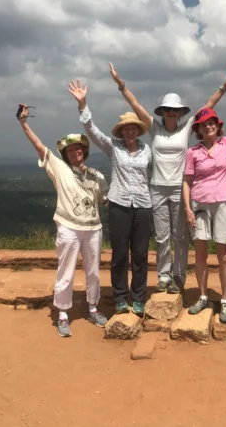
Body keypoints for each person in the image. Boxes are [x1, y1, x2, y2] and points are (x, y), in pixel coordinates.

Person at [108, 63, 226, 295]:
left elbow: (208, 106)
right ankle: (163, 275)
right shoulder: (154, 128)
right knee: (161, 236)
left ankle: (178, 277)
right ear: (162, 111)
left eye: (174, 109)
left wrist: (225, 85)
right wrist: (121, 84)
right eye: (167, 108)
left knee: (180, 237)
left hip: (179, 188)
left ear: (180, 113)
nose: (171, 112)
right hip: (157, 188)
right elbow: (136, 105)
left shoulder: (188, 127)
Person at [17, 104, 109, 338]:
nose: (74, 152)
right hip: (68, 226)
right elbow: (40, 147)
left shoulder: (97, 176)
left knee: (93, 272)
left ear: (84, 151)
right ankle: (63, 314)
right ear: (65, 154)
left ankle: (92, 307)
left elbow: (106, 199)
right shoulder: (59, 168)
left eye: (78, 148)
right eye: (70, 150)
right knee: (66, 271)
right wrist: (24, 123)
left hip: (93, 228)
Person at [71, 79, 153, 317]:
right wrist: (82, 105)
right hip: (119, 203)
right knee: (119, 254)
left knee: (140, 254)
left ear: (138, 130)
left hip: (143, 205)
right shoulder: (113, 147)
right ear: (121, 131)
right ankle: (119, 296)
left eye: (134, 128)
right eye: (127, 128)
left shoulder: (147, 150)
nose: (130, 131)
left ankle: (138, 297)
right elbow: (91, 131)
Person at [183, 74, 226, 324]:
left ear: (217, 125)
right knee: (200, 253)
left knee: (223, 254)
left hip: (223, 202)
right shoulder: (193, 152)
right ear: (199, 130)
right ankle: (203, 296)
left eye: (211, 123)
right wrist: (187, 210)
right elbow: (187, 182)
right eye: (204, 125)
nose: (208, 127)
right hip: (199, 204)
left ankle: (223, 300)